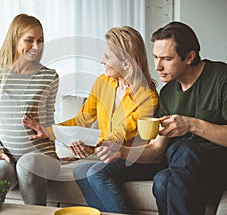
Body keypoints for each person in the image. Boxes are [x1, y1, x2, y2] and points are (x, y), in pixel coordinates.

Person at [91, 21, 227, 215]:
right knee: (162, 180)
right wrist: (122, 151)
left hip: (217, 169)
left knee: (184, 147)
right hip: (184, 173)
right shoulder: (168, 93)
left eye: (166, 58)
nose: (157, 66)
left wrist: (192, 125)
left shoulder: (221, 78)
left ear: (189, 57)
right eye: (155, 57)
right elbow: (156, 150)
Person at [24, 26, 161, 213]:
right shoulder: (103, 82)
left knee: (96, 174)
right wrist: (48, 131)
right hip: (111, 154)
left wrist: (91, 146)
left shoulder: (147, 97)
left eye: (107, 57)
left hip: (135, 157)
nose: (101, 61)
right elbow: (83, 120)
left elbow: (119, 136)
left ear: (127, 63)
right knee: (80, 171)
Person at [0, 13, 60, 206]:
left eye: (40, 40)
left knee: (28, 165)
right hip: (8, 156)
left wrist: (48, 132)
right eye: (29, 40)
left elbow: (49, 123)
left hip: (42, 158)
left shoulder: (48, 76)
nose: (36, 47)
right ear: (14, 39)